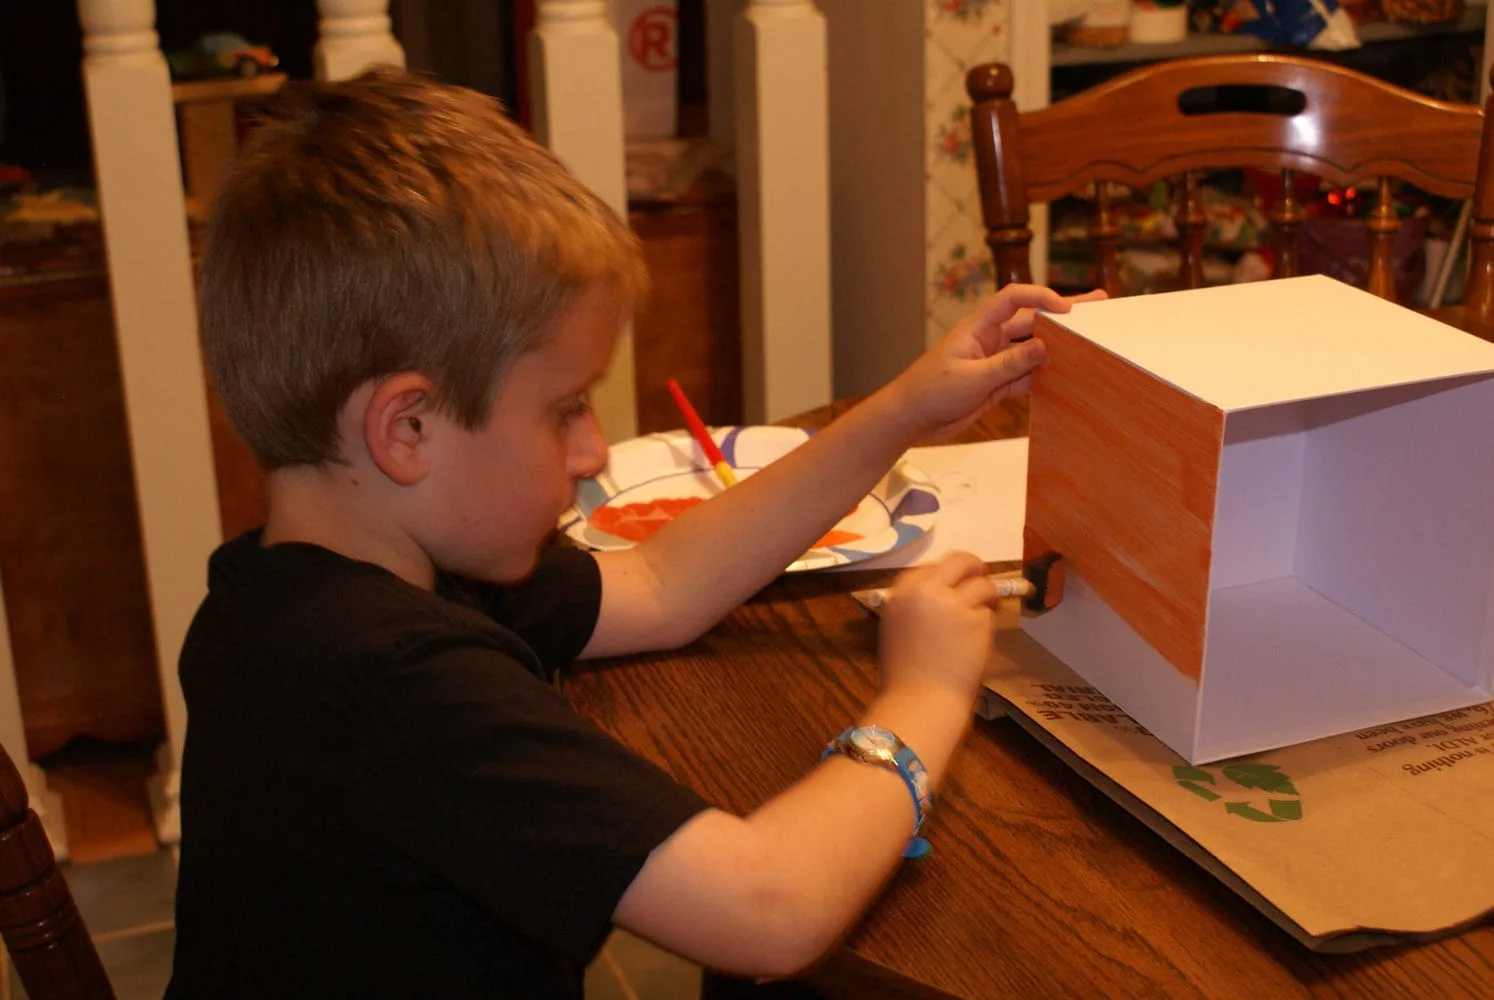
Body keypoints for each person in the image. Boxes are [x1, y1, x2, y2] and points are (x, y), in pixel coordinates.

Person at [164, 67, 1089, 999]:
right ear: (407, 429)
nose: (591, 448)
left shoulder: (331, 579)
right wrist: (924, 692)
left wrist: (902, 411)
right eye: (564, 409)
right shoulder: (384, 678)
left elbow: (657, 586)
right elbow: (768, 910)